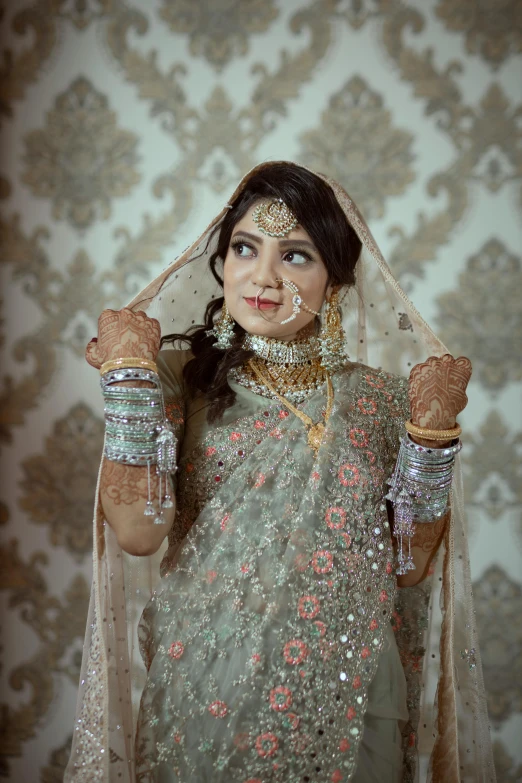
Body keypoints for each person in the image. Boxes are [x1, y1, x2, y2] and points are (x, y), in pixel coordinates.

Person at [65, 162, 494, 783]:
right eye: (245, 248)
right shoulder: (179, 376)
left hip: (351, 697)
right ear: (223, 261)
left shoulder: (381, 401)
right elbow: (137, 531)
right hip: (211, 684)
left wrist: (430, 439)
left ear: (336, 283)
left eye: (296, 256)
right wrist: (129, 378)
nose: (262, 276)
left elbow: (407, 568)